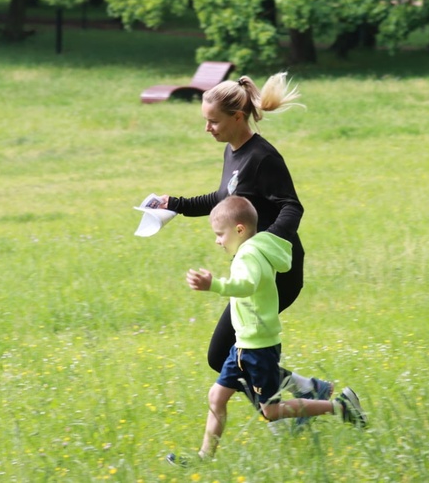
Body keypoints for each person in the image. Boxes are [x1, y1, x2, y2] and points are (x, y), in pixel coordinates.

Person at [156, 72, 331, 408]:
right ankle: (304, 391)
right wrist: (174, 205)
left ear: (237, 117)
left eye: (213, 121)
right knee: (226, 354)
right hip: (251, 273)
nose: (208, 129)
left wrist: (261, 245)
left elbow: (292, 207)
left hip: (277, 274)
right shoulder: (233, 152)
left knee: (227, 353)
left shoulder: (263, 157)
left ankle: (285, 410)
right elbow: (224, 199)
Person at [167, 196, 366, 465]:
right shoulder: (252, 250)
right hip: (243, 346)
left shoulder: (250, 255)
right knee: (216, 396)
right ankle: (204, 457)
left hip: (259, 348)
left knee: (271, 411)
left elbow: (245, 285)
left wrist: (214, 285)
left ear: (239, 229)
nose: (217, 241)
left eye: (219, 234)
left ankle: (340, 407)